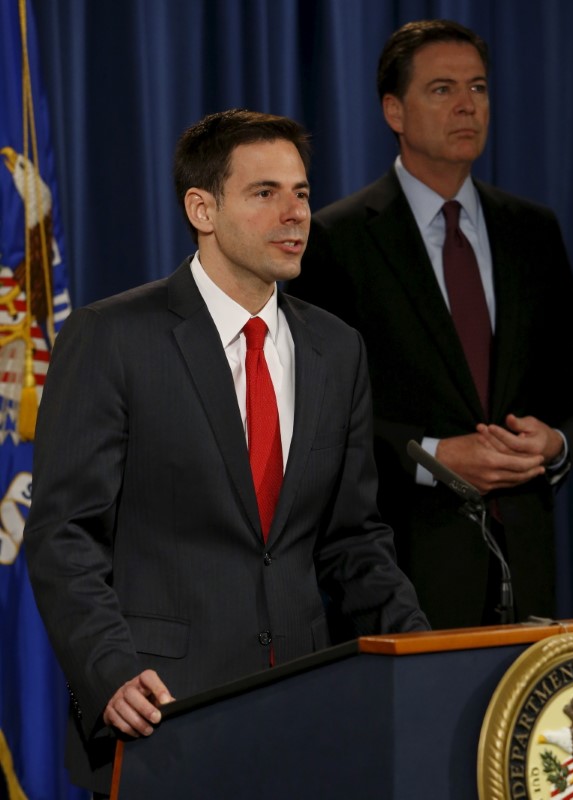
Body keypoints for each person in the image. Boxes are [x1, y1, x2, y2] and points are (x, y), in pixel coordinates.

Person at [23, 109, 429, 795]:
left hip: (303, 714)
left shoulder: (336, 349)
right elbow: (64, 535)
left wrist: (423, 653)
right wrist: (109, 670)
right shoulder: (114, 337)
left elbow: (352, 538)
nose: (295, 213)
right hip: (161, 716)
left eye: (301, 193)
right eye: (264, 193)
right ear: (201, 208)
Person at [290, 20, 573, 630]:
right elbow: (316, 415)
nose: (466, 106)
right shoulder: (335, 239)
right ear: (393, 111)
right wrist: (431, 457)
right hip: (403, 570)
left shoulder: (533, 230)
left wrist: (555, 444)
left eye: (478, 89)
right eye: (442, 89)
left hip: (527, 566)